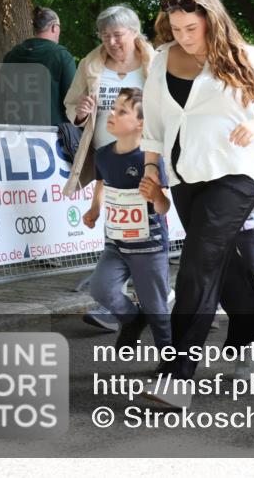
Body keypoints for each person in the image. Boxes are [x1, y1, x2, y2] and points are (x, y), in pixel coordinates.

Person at [141, 0, 254, 408]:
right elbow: (153, 123)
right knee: (218, 261)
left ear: (211, 19)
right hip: (185, 174)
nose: (184, 37)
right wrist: (152, 169)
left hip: (235, 173)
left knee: (197, 262)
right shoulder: (159, 60)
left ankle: (178, 374)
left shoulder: (247, 58)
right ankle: (250, 334)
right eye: (175, 28)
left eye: (191, 27)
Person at [63, 5, 158, 332]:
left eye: (117, 35)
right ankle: (121, 302)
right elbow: (71, 107)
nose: (112, 42)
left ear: (134, 32)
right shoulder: (91, 64)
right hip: (106, 158)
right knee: (117, 230)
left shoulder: (155, 63)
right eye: (105, 36)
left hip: (147, 158)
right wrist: (81, 111)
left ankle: (156, 301)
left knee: (145, 230)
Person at [82, 89, 172, 350]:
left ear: (141, 124)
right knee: (101, 289)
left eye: (121, 111)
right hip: (117, 243)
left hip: (149, 246)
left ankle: (169, 355)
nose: (111, 114)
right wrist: (95, 208)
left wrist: (156, 195)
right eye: (113, 108)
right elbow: (102, 182)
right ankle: (132, 319)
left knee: (155, 305)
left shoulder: (150, 158)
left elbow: (164, 207)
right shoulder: (104, 154)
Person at [0, 7, 76, 125]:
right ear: (54, 28)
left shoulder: (11, 56)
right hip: (52, 138)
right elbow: (73, 101)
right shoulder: (62, 57)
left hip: (15, 135)